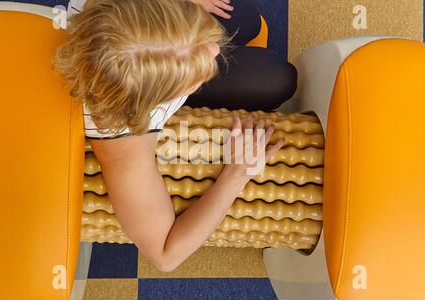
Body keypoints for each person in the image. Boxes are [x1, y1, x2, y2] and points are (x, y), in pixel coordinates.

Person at [53, 0, 297, 272]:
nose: (214, 50)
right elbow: (166, 254)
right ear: (158, 100)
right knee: (279, 79)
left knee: (246, 21)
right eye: (194, 77)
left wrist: (181, 8)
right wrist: (237, 173)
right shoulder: (124, 140)